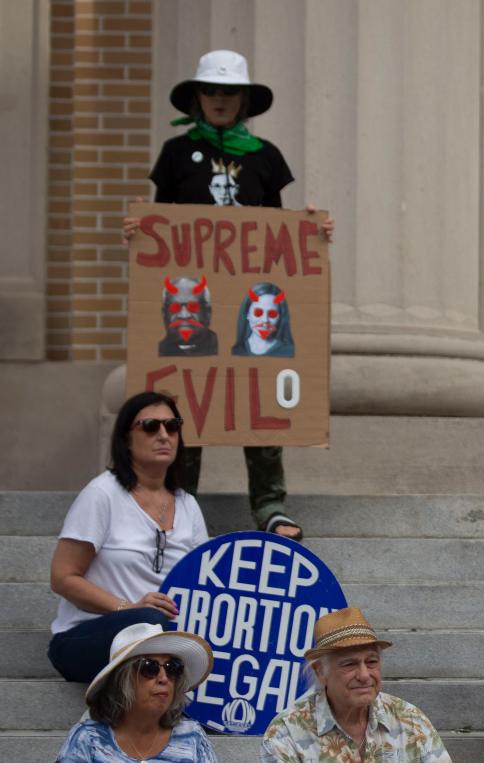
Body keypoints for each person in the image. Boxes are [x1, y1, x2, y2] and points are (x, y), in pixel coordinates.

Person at [123, 49, 335, 541]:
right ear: (198, 98)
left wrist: (311, 231)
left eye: (230, 93)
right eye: (212, 91)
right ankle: (178, 502)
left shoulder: (266, 157)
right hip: (191, 299)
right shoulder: (176, 153)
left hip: (246, 299)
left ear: (244, 102)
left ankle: (270, 504)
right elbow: (162, 224)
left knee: (257, 395)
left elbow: (278, 229)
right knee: (187, 398)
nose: (220, 100)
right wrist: (140, 230)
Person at [48, 391, 209, 683]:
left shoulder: (187, 504)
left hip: (161, 639)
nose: (164, 435)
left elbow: (204, 584)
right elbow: (62, 577)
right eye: (150, 426)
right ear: (125, 439)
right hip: (87, 636)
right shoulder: (102, 495)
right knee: (149, 625)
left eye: (172, 426)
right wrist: (128, 607)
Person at [260, 607, 451, 762]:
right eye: (349, 664)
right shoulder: (287, 732)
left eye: (372, 662)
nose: (364, 675)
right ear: (320, 671)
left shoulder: (410, 719)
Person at [55, 622, 218, 762]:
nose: (163, 678)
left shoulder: (191, 735)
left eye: (172, 668)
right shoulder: (89, 738)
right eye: (150, 667)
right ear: (122, 680)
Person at [232, 281, 295, 357]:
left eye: (272, 314)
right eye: (258, 313)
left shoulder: (289, 352)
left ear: (280, 317)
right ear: (248, 315)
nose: (265, 320)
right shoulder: (236, 351)